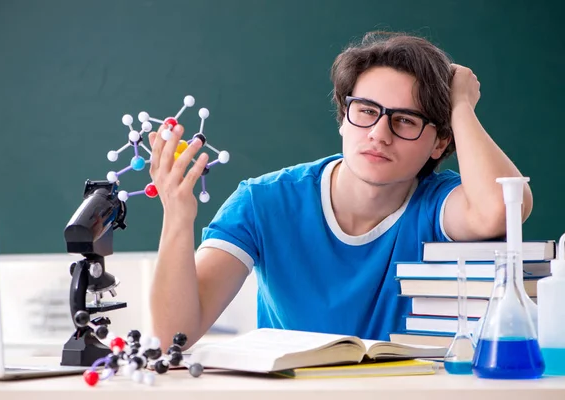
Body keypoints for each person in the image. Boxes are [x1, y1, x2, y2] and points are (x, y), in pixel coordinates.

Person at [146, 31, 533, 348]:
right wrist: (177, 217)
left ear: (438, 143)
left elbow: (503, 208)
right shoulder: (264, 202)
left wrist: (461, 104)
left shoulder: (437, 202)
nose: (379, 135)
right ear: (342, 118)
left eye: (406, 120)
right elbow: (173, 335)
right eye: (366, 110)